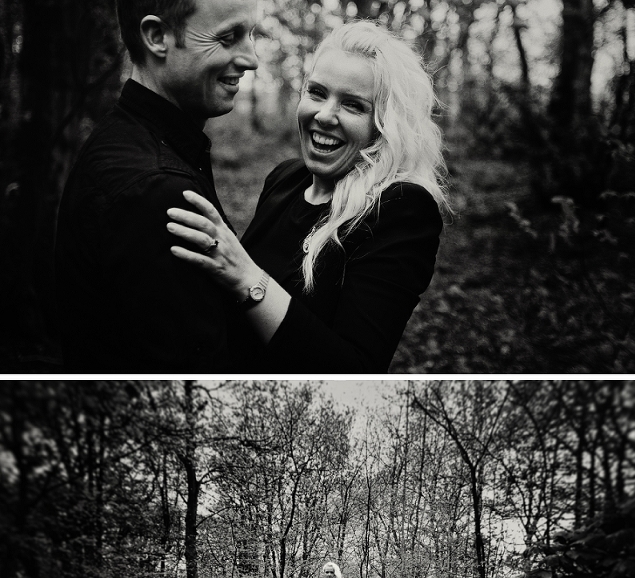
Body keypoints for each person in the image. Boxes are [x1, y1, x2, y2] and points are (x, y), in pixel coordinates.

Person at [166, 21, 446, 373]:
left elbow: (352, 371)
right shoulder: (285, 178)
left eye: (353, 105)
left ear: (385, 125)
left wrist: (246, 278)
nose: (324, 115)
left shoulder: (399, 209)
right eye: (316, 92)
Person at [55, 0, 257, 370]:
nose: (251, 57)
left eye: (251, 34)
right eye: (228, 38)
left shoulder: (129, 138)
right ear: (157, 36)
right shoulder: (155, 191)